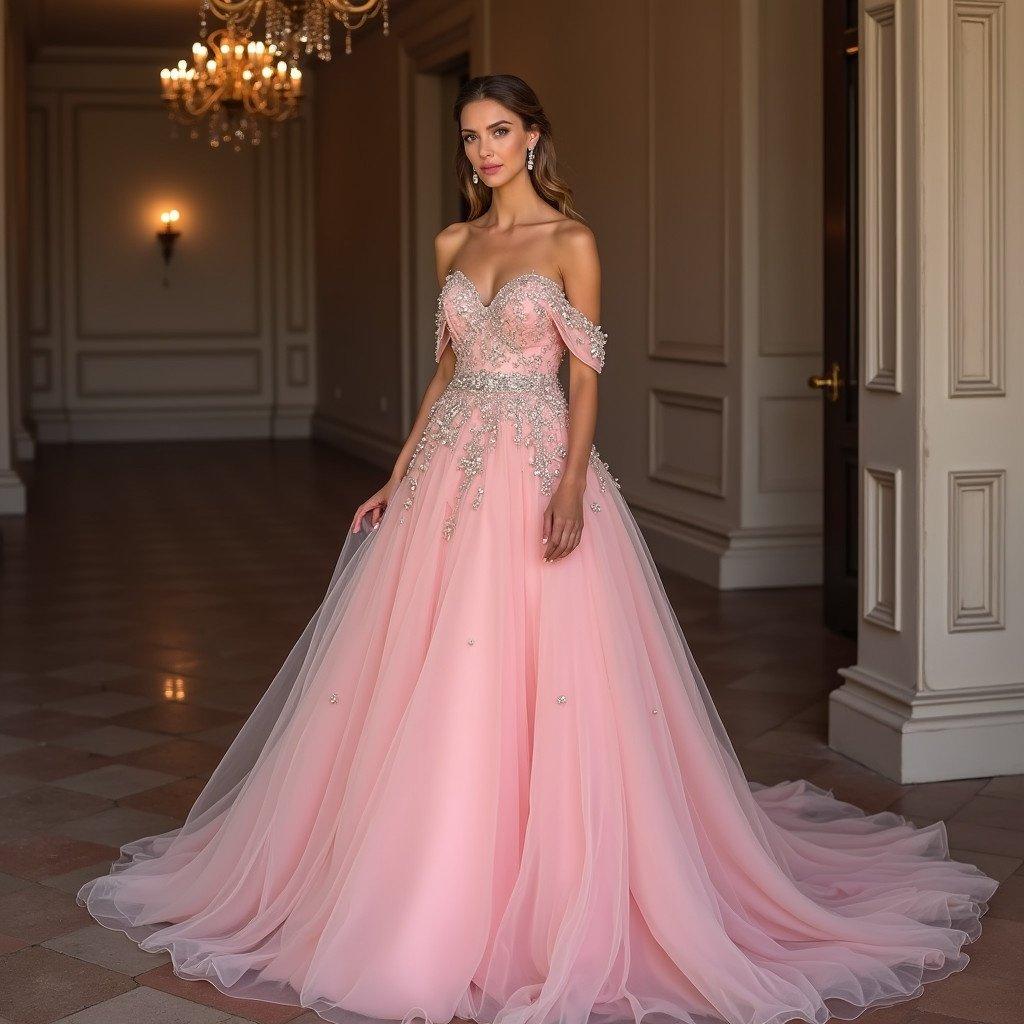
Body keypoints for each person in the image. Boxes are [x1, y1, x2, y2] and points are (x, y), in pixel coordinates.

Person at [77, 73, 997, 1024]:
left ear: (533, 137)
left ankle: (546, 884)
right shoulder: (452, 241)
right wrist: (398, 473)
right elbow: (443, 369)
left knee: (545, 666)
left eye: (499, 131)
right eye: (470, 135)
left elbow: (590, 379)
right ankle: (428, 877)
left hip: (537, 465)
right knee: (425, 667)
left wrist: (568, 484)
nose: (482, 150)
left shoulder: (570, 241)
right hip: (447, 472)